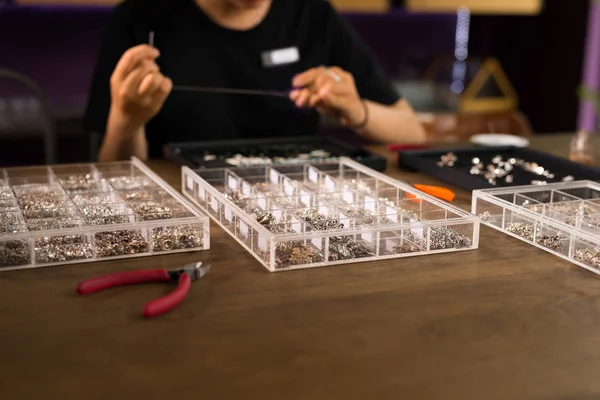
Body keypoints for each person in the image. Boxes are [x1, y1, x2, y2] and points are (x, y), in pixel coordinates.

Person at [84, 0, 426, 162]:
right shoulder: (138, 19)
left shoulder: (312, 14)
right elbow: (115, 174)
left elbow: (412, 132)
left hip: (296, 214)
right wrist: (127, 123)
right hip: (185, 214)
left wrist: (357, 111)